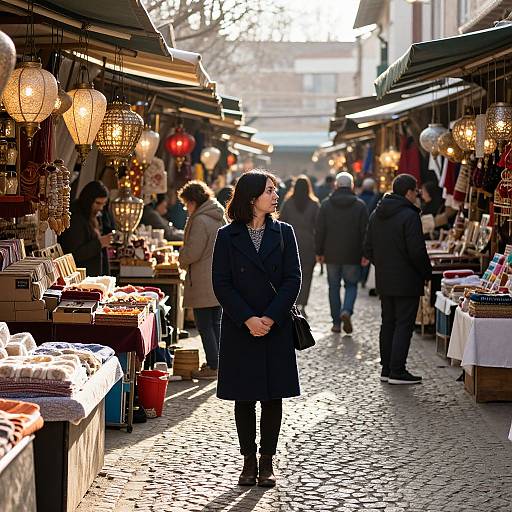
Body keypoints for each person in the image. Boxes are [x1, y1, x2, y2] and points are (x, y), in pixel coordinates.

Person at [212, 169, 301, 488]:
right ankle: (248, 461)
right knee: (244, 397)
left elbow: (293, 279)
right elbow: (220, 283)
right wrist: (248, 318)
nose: (276, 195)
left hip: (274, 325)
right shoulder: (226, 236)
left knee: (273, 396)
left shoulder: (285, 232)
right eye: (269, 190)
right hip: (240, 326)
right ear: (252, 197)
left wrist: (270, 318)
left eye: (276, 189)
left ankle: (267, 462)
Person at [364, 174, 432, 385]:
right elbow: (417, 251)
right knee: (403, 324)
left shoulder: (377, 213)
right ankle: (397, 370)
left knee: (388, 323)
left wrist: (383, 265)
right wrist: (426, 273)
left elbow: (368, 247)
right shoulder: (409, 216)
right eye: (415, 191)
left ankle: (387, 368)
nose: (417, 195)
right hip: (407, 279)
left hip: (385, 278)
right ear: (408, 192)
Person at [178, 181, 226, 379]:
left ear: (193, 201)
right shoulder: (218, 216)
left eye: (186, 204)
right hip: (219, 277)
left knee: (204, 325)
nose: (186, 209)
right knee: (216, 323)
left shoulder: (200, 220)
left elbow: (193, 251)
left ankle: (214, 366)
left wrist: (181, 257)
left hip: (203, 280)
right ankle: (221, 363)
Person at [315, 172, 368, 334]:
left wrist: (319, 251)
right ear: (352, 186)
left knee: (333, 287)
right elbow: (365, 232)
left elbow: (320, 230)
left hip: (331, 254)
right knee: (351, 285)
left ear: (336, 186)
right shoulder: (360, 205)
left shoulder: (326, 204)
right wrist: (365, 253)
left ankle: (336, 322)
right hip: (353, 253)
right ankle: (346, 310)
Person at [279, 175, 319, 317]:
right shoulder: (314, 204)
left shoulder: (288, 202)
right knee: (307, 275)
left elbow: (280, 221)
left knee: (290, 274)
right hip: (309, 243)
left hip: (290, 242)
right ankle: (303, 304)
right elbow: (318, 226)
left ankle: (293, 302)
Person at [59, 181, 112, 276]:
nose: (100, 208)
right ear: (88, 200)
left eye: (103, 204)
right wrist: (100, 243)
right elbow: (74, 254)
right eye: (98, 203)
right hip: (81, 278)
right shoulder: (76, 218)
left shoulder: (91, 215)